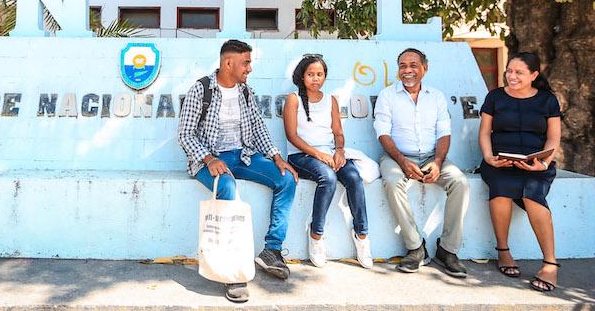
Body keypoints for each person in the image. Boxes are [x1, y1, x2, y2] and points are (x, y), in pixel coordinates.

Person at [177, 39, 298, 303]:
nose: (249, 68)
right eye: (246, 62)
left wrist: (277, 157)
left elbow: (258, 129)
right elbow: (185, 135)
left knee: (286, 179)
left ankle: (272, 251)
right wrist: (209, 159)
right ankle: (232, 273)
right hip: (208, 161)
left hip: (242, 157)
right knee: (228, 188)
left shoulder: (245, 91)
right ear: (228, 63)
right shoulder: (201, 89)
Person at [373, 48, 470, 278]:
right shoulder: (387, 96)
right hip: (396, 156)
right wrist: (402, 161)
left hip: (431, 156)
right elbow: (383, 133)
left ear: (424, 68)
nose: (408, 70)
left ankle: (447, 250)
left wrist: (437, 162)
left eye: (413, 65)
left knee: (460, 182)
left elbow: (444, 133)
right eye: (403, 66)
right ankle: (415, 247)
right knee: (392, 182)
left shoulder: (435, 96)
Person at [478, 52, 562, 293]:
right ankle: (503, 251)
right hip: (500, 161)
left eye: (518, 72)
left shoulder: (547, 100)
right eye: (509, 71)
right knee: (501, 190)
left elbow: (553, 137)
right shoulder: (494, 97)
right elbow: (485, 133)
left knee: (533, 194)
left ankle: (549, 263)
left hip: (536, 162)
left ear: (534, 75)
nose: (511, 76)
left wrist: (543, 163)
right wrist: (488, 158)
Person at [283, 54, 372, 268]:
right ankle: (316, 234)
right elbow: (291, 136)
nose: (315, 78)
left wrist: (339, 151)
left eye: (319, 74)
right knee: (328, 178)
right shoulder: (293, 99)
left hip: (330, 153)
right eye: (310, 74)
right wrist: (319, 155)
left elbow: (338, 132)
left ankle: (362, 236)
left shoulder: (330, 99)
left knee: (353, 177)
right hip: (301, 156)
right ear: (302, 76)